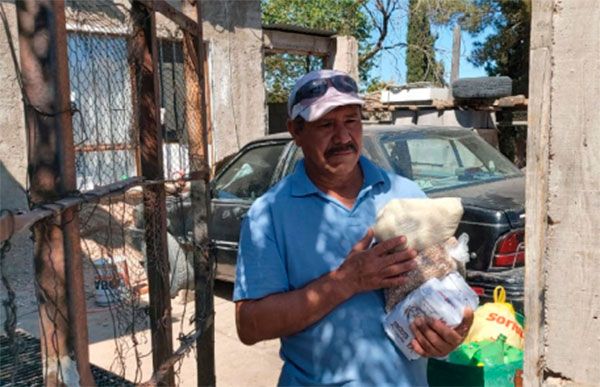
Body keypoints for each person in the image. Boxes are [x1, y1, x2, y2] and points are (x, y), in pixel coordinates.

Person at [233, 69, 473, 386]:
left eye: (351, 120)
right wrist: (347, 280)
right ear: (296, 131)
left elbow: (444, 288)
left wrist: (452, 332)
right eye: (326, 124)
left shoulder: (407, 195)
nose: (344, 137)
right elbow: (249, 326)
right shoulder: (269, 214)